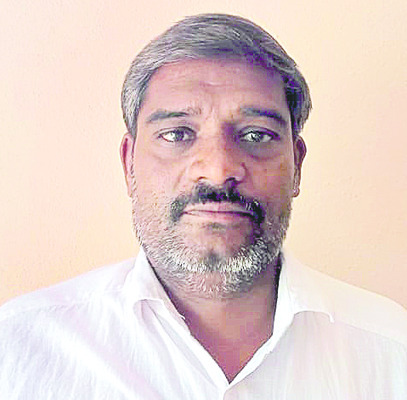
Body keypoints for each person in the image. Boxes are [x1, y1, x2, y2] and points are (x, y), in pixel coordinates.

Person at [1, 13, 406, 399]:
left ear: (296, 165)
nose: (217, 171)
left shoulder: (391, 349)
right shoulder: (18, 350)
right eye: (177, 134)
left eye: (256, 135)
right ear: (129, 164)